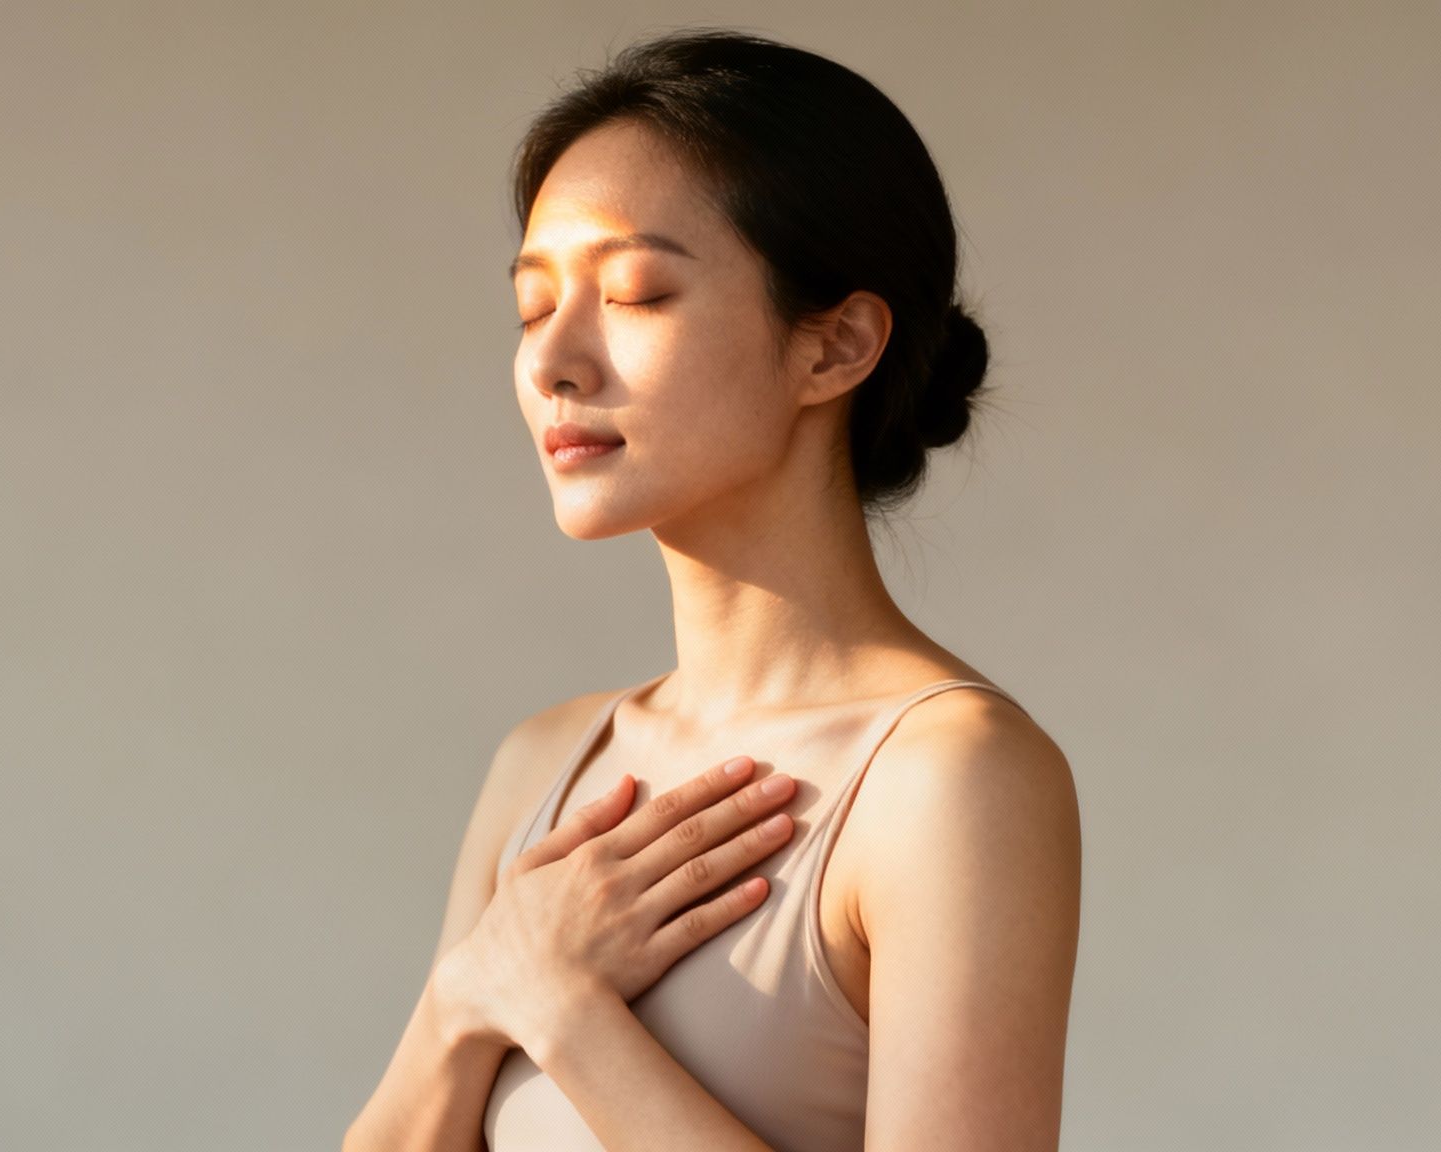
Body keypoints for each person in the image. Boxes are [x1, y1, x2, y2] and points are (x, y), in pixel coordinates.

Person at [345, 27, 1080, 1152]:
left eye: (635, 294)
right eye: (532, 307)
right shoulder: (543, 764)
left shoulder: (951, 778)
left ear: (835, 347)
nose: (551, 361)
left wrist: (562, 1011)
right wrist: (464, 996)